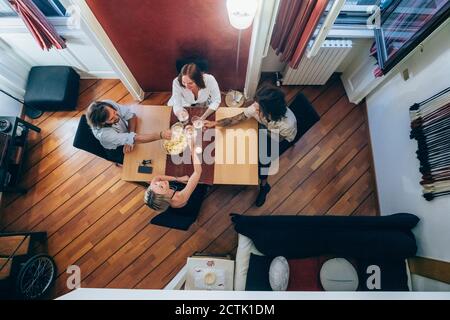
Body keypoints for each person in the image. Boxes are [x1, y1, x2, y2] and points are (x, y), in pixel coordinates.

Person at [204, 85, 297, 207]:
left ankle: (264, 185)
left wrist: (258, 140)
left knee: (263, 162)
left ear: (270, 110)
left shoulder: (287, 125)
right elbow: (238, 118)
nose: (255, 106)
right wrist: (215, 123)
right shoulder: (256, 107)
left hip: (276, 138)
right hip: (263, 130)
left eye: (259, 106)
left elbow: (279, 140)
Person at [86, 100, 172, 164]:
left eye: (115, 112)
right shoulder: (104, 134)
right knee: (140, 163)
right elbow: (134, 138)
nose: (117, 116)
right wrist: (160, 135)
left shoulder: (107, 105)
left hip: (127, 133)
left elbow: (131, 115)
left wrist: (129, 137)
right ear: (102, 123)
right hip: (117, 148)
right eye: (111, 118)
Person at [144, 134, 202, 211]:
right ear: (166, 197)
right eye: (161, 187)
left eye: (155, 184)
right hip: (188, 199)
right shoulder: (179, 198)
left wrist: (178, 179)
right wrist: (192, 148)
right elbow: (198, 172)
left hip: (174, 186)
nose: (160, 182)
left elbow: (158, 178)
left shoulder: (154, 189)